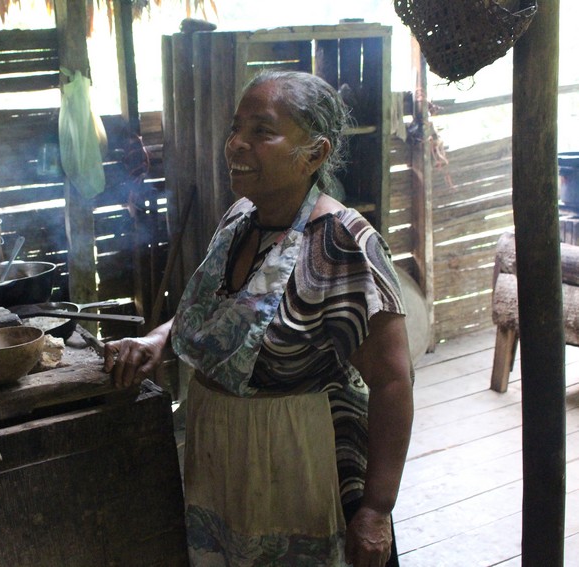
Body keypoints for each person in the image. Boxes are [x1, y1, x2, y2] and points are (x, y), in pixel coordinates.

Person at [103, 69, 414, 567]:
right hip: (219, 458)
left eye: (261, 131)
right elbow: (214, 313)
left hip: (295, 463)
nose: (236, 144)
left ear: (315, 153)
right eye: (236, 128)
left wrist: (377, 509)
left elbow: (394, 382)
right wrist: (159, 340)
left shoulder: (341, 244)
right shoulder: (239, 219)